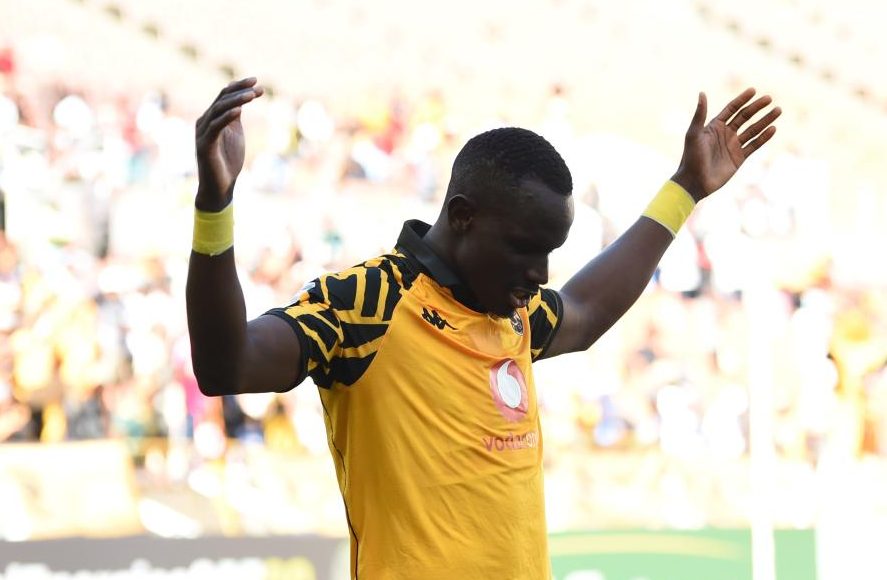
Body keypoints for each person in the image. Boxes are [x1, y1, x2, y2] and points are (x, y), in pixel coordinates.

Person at [186, 77, 780, 579]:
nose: (539, 274)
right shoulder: (367, 303)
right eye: (524, 248)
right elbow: (225, 367)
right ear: (463, 216)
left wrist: (684, 191)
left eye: (549, 253)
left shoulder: (513, 312)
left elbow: (586, 312)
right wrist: (215, 202)